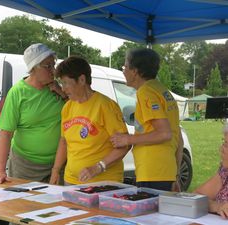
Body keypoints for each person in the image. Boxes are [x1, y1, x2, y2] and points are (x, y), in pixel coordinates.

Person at [0, 43, 67, 184]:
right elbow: (6, 133)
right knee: (24, 205)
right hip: (25, 165)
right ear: (33, 68)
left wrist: (62, 93)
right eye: (48, 66)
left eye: (53, 65)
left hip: (57, 164)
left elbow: (78, 110)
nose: (53, 71)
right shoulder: (18, 92)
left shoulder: (58, 89)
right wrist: (0, 171)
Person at [49, 56, 131, 185]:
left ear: (82, 79)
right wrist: (55, 170)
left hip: (103, 183)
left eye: (65, 83)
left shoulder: (105, 106)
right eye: (61, 83)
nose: (63, 89)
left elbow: (124, 145)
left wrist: (98, 167)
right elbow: (64, 142)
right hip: (71, 181)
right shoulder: (67, 107)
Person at [110, 48, 182, 191]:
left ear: (135, 71)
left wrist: (127, 139)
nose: (123, 71)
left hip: (153, 172)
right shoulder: (162, 90)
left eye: (125, 67)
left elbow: (164, 133)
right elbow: (178, 137)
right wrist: (176, 173)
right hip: (165, 170)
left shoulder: (146, 92)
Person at [195, 125, 228, 219]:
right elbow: (195, 197)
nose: (221, 149)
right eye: (223, 142)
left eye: (226, 144)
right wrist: (217, 206)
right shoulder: (225, 173)